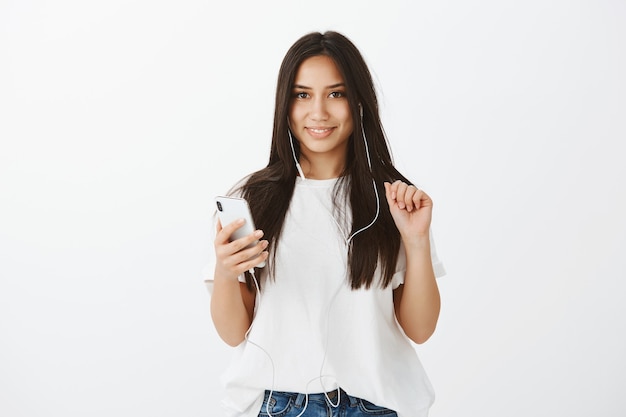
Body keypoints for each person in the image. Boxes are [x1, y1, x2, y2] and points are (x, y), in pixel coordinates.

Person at [206, 31, 445, 417]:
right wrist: (223, 269)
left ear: (359, 102)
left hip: (376, 405)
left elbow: (420, 329)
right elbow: (235, 333)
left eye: (336, 94)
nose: (318, 112)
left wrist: (416, 242)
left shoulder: (394, 200)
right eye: (302, 95)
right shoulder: (254, 199)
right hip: (281, 406)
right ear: (285, 104)